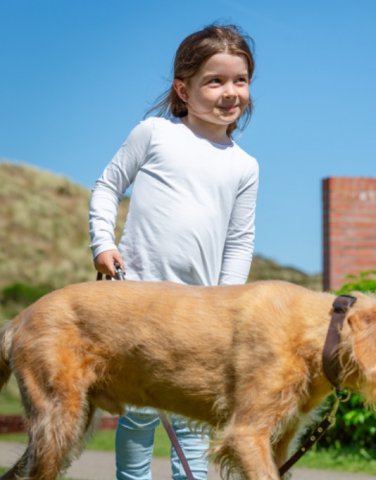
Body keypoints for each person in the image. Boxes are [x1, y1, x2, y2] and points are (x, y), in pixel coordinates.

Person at [88, 24, 259, 480]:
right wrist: (103, 242)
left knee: (193, 416)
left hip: (200, 313)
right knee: (139, 413)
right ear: (184, 90)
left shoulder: (245, 166)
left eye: (240, 80)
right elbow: (107, 186)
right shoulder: (154, 134)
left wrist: (229, 303)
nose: (230, 92)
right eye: (215, 81)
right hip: (136, 300)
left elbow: (240, 240)